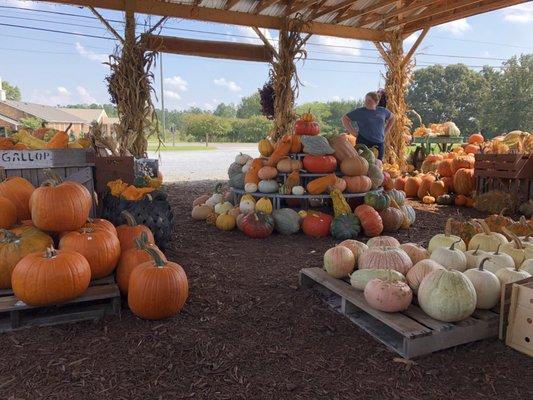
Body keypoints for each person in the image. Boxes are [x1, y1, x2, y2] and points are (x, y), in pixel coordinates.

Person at [341, 91, 394, 160]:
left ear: (376, 102)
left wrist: (385, 132)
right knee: (362, 164)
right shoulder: (359, 111)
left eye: (369, 100)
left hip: (379, 142)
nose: (366, 102)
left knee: (378, 163)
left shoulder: (383, 111)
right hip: (363, 141)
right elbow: (345, 119)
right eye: (365, 100)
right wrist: (353, 132)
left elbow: (392, 118)